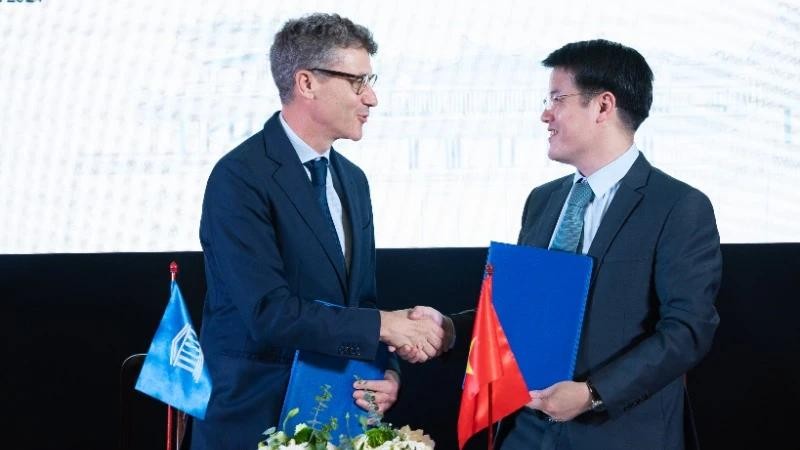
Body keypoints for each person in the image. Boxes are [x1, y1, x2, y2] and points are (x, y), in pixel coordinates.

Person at [409, 39, 722, 450]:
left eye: (557, 98)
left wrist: (593, 392)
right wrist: (449, 329)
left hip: (619, 432)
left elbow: (687, 331)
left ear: (603, 106)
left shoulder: (678, 206)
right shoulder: (544, 200)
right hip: (525, 429)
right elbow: (522, 314)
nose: (545, 114)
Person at [192, 13, 447, 450]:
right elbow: (268, 312)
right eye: (357, 82)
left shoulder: (352, 180)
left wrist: (385, 372)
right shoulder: (240, 176)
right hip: (254, 421)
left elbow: (359, 303)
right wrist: (384, 328)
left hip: (338, 417)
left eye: (371, 80)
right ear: (307, 83)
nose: (372, 98)